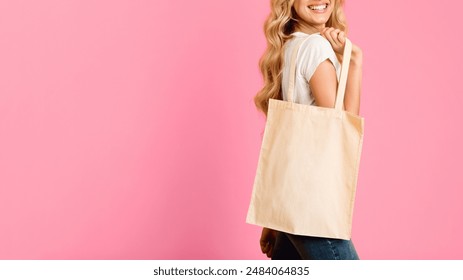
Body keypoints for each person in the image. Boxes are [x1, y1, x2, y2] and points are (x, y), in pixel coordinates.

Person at [253, 0, 363, 260]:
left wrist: (272, 221)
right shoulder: (314, 47)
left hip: (289, 205)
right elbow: (340, 129)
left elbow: (283, 144)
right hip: (312, 203)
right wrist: (355, 62)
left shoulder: (288, 47)